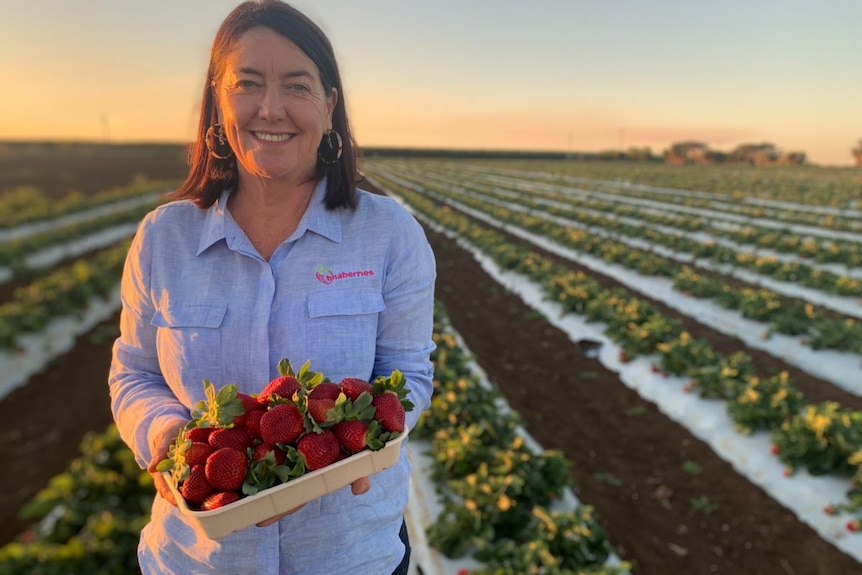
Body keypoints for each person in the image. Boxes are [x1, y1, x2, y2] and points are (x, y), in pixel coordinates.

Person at [107, 1, 436, 573]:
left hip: (350, 556)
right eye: (248, 84)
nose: (271, 108)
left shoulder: (388, 233)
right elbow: (133, 373)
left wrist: (369, 444)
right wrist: (165, 439)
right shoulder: (165, 239)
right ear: (219, 101)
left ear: (329, 105)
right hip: (198, 557)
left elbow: (410, 372)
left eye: (297, 85)